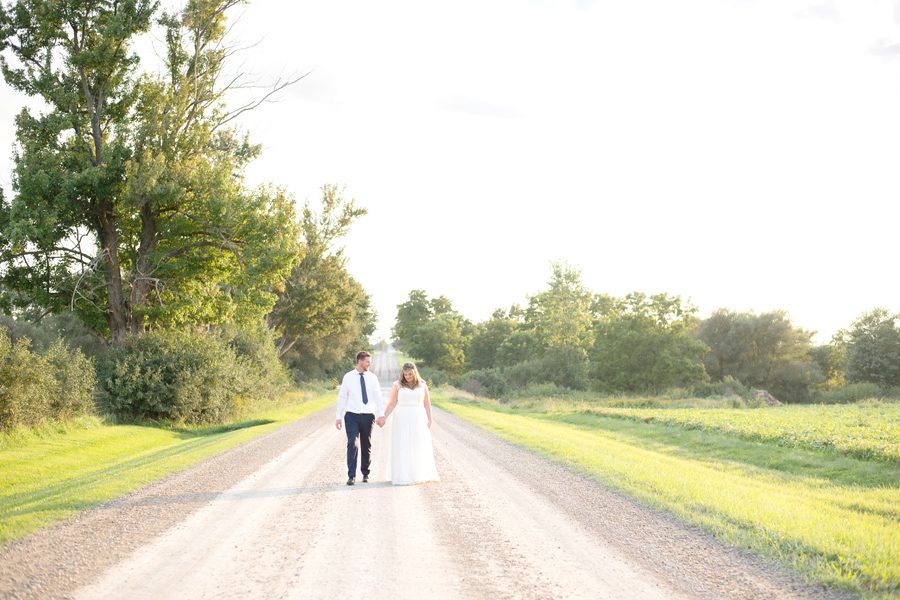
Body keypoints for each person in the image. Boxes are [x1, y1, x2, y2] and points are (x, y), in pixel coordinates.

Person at [384, 362, 439, 485]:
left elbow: (427, 403)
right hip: (402, 417)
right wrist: (384, 416)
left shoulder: (423, 385)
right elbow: (392, 403)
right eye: (405, 374)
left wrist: (430, 419)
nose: (407, 376)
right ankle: (403, 474)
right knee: (403, 444)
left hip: (418, 417)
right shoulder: (397, 385)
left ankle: (418, 473)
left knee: (418, 443)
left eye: (410, 374)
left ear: (415, 373)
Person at [336, 351, 385, 485]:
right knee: (353, 443)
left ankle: (365, 473)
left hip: (368, 416)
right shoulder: (348, 377)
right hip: (352, 415)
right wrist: (338, 417)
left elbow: (378, 397)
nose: (370, 364)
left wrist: (381, 414)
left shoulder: (372, 378)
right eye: (368, 361)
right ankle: (351, 476)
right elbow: (342, 397)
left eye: (370, 361)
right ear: (360, 361)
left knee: (366, 444)